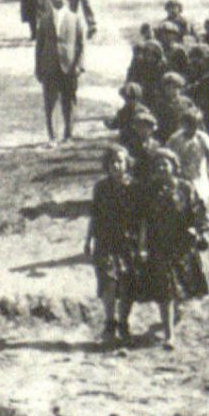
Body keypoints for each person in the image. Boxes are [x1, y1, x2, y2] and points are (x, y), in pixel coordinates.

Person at [129, 148, 209, 350]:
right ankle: (169, 335)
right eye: (158, 165)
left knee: (180, 287)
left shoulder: (186, 189)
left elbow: (198, 212)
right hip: (158, 246)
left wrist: (199, 232)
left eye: (166, 164)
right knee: (165, 291)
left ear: (175, 166)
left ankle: (176, 311)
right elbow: (142, 221)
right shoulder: (149, 191)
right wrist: (141, 246)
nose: (162, 168)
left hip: (182, 246)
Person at [84, 144, 137, 343]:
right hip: (105, 240)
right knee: (108, 282)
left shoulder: (134, 187)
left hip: (127, 241)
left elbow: (141, 220)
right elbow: (94, 215)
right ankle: (109, 322)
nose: (116, 165)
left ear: (127, 164)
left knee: (127, 284)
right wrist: (88, 240)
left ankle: (124, 323)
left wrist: (141, 244)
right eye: (112, 162)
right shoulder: (101, 187)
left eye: (120, 161)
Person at [34, 0, 87, 146]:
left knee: (69, 101)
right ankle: (52, 137)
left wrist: (79, 65)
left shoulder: (75, 18)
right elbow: (39, 46)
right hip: (49, 66)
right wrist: (38, 67)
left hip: (69, 66)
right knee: (50, 102)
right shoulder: (44, 19)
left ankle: (68, 135)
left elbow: (81, 44)